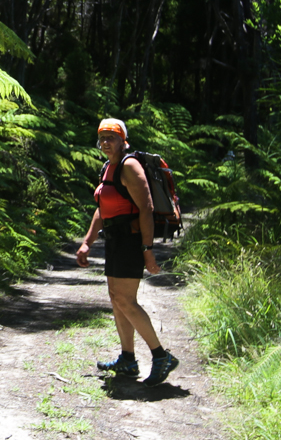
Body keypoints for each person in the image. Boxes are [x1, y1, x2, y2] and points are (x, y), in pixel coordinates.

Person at [76, 118, 178, 386]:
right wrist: (87, 241)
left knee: (126, 301)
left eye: (112, 137)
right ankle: (128, 360)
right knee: (117, 298)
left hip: (131, 241)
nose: (106, 142)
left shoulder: (129, 165)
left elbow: (146, 209)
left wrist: (147, 250)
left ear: (123, 140)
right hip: (114, 240)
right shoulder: (107, 168)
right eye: (102, 138)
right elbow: (102, 207)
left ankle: (160, 356)